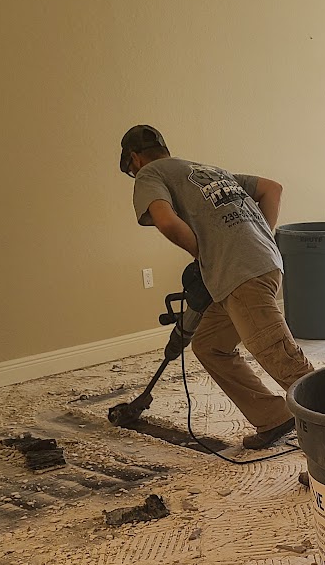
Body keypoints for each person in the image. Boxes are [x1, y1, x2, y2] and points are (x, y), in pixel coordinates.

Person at [119, 124, 313, 449]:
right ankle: (273, 416)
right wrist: (253, 238)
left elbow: (165, 220)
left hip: (241, 274)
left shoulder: (149, 174)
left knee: (283, 360)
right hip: (260, 265)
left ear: (135, 159)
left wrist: (200, 252)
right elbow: (272, 188)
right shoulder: (207, 170)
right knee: (208, 345)